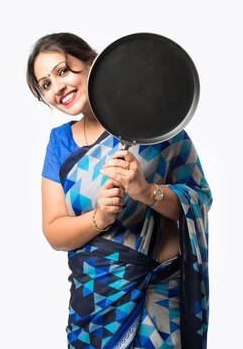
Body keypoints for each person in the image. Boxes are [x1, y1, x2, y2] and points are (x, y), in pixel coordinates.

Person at [26, 32, 212, 349]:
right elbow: (54, 231)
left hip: (156, 304)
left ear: (93, 63)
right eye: (45, 85)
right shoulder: (59, 143)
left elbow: (199, 199)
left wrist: (146, 191)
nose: (58, 87)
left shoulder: (156, 124)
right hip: (93, 306)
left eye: (63, 71)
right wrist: (99, 217)